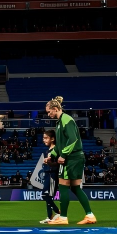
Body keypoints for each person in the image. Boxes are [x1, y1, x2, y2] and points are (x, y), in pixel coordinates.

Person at [45, 96, 97, 225]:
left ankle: (63, 217)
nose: (48, 114)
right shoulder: (61, 121)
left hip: (71, 159)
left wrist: (63, 155)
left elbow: (73, 139)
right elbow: (60, 144)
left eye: (49, 111)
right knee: (75, 188)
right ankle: (90, 215)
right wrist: (52, 156)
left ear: (55, 108)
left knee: (63, 185)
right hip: (76, 157)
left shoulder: (66, 120)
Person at [40, 130, 61, 224]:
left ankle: (58, 212)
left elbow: (58, 163)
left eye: (46, 138)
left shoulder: (56, 150)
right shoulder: (47, 151)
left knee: (46, 195)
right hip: (47, 174)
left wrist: (49, 163)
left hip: (52, 174)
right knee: (47, 196)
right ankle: (49, 217)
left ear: (52, 139)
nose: (44, 140)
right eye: (43, 138)